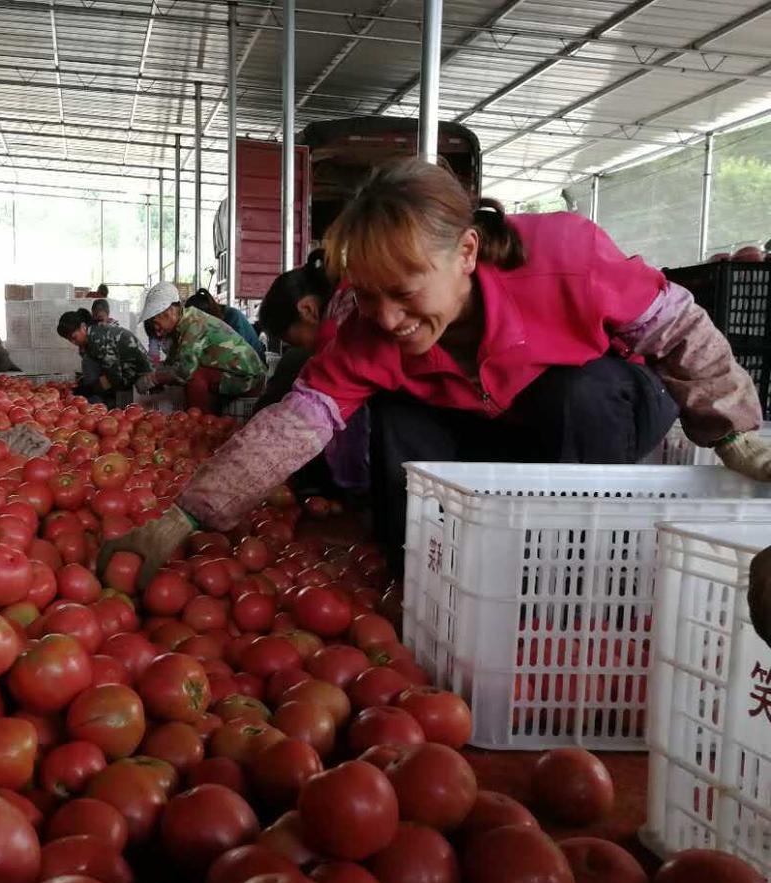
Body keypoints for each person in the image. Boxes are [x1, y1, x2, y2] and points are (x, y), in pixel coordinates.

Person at [101, 158, 769, 586]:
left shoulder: (563, 256)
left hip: (604, 410)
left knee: (580, 391)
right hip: (489, 425)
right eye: (367, 295)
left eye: (404, 291)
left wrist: (733, 429)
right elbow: (296, 423)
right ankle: (424, 578)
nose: (386, 318)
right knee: (394, 410)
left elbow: (678, 326)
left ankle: (575, 579)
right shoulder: (364, 329)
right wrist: (187, 516)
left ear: (467, 251)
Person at [257, 251, 369, 496]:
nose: (305, 348)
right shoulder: (347, 292)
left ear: (307, 310)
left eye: (298, 340)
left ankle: (350, 488)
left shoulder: (340, 320)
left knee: (296, 364)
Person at [136, 282, 266, 413]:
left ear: (170, 312)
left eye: (157, 324)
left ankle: (199, 423)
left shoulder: (194, 324)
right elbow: (173, 363)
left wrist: (154, 379)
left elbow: (184, 371)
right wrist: (157, 375)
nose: (158, 332)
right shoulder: (184, 325)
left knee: (194, 376)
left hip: (249, 379)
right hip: (233, 375)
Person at [58, 307, 152, 406]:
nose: (73, 342)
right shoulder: (92, 335)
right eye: (69, 340)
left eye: (74, 337)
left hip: (143, 375)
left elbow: (114, 377)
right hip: (126, 371)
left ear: (83, 327)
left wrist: (89, 390)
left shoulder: (97, 339)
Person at [186, 288, 266, 362]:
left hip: (254, 362)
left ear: (205, 316)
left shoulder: (232, 317)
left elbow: (236, 353)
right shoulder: (213, 321)